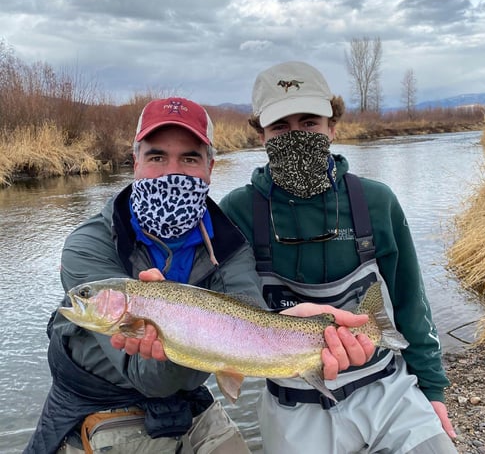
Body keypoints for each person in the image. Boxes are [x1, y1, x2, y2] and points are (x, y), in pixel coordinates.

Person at [25, 96, 373, 454]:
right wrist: (172, 318)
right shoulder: (87, 245)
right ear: (135, 163)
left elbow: (247, 333)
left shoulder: (229, 247)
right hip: (99, 407)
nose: (172, 171)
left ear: (210, 167)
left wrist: (298, 332)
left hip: (189, 398)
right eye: (157, 156)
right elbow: (146, 376)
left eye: (189, 158)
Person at [218, 61, 458, 453]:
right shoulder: (237, 212)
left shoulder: (376, 202)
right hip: (292, 402)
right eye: (281, 127)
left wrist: (433, 391)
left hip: (386, 388)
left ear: (333, 125)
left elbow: (411, 303)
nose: (296, 136)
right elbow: (226, 309)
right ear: (260, 134)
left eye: (309, 122)